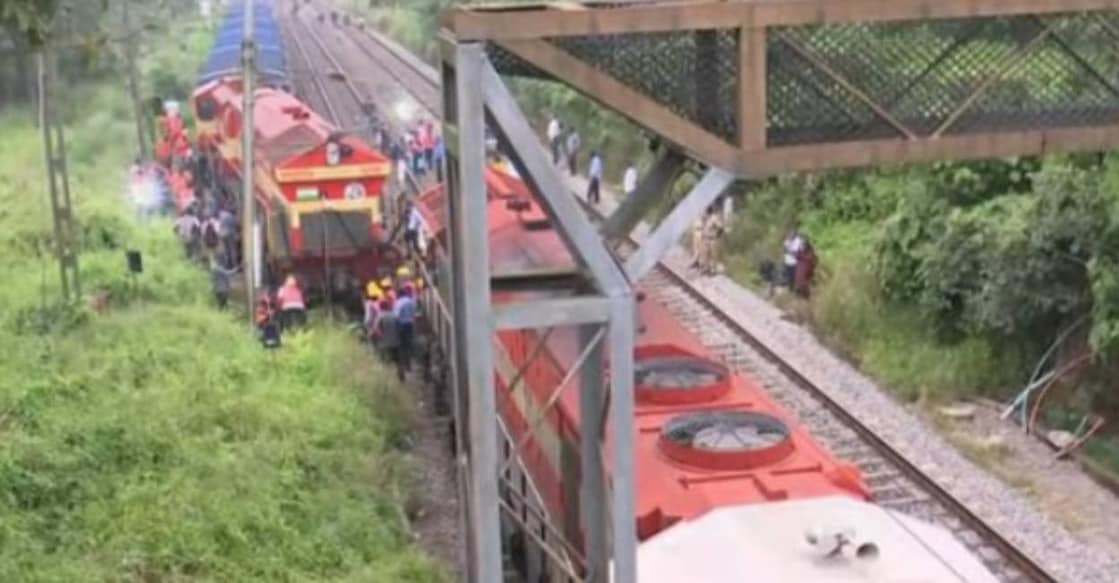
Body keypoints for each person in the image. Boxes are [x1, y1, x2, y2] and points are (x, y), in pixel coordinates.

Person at [394, 286, 418, 382]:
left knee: (402, 345)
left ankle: (404, 364)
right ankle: (409, 365)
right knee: (409, 344)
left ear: (399, 294)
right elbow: (414, 312)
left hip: (402, 325)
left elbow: (397, 315)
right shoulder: (410, 301)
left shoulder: (399, 302)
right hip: (410, 324)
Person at [700, 204, 725, 276]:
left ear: (709, 210)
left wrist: (717, 235)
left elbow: (721, 228)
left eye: (706, 209)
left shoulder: (714, 218)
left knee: (713, 255)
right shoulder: (707, 218)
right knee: (705, 254)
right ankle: (706, 268)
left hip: (712, 239)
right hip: (706, 238)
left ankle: (713, 270)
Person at [783, 225, 805, 290]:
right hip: (788, 261)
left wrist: (796, 253)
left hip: (795, 262)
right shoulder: (787, 240)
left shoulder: (799, 241)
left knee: (794, 276)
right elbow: (785, 250)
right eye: (790, 234)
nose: (791, 235)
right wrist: (791, 252)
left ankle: (795, 288)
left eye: (793, 234)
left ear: (795, 235)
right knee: (789, 276)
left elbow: (802, 249)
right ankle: (790, 288)